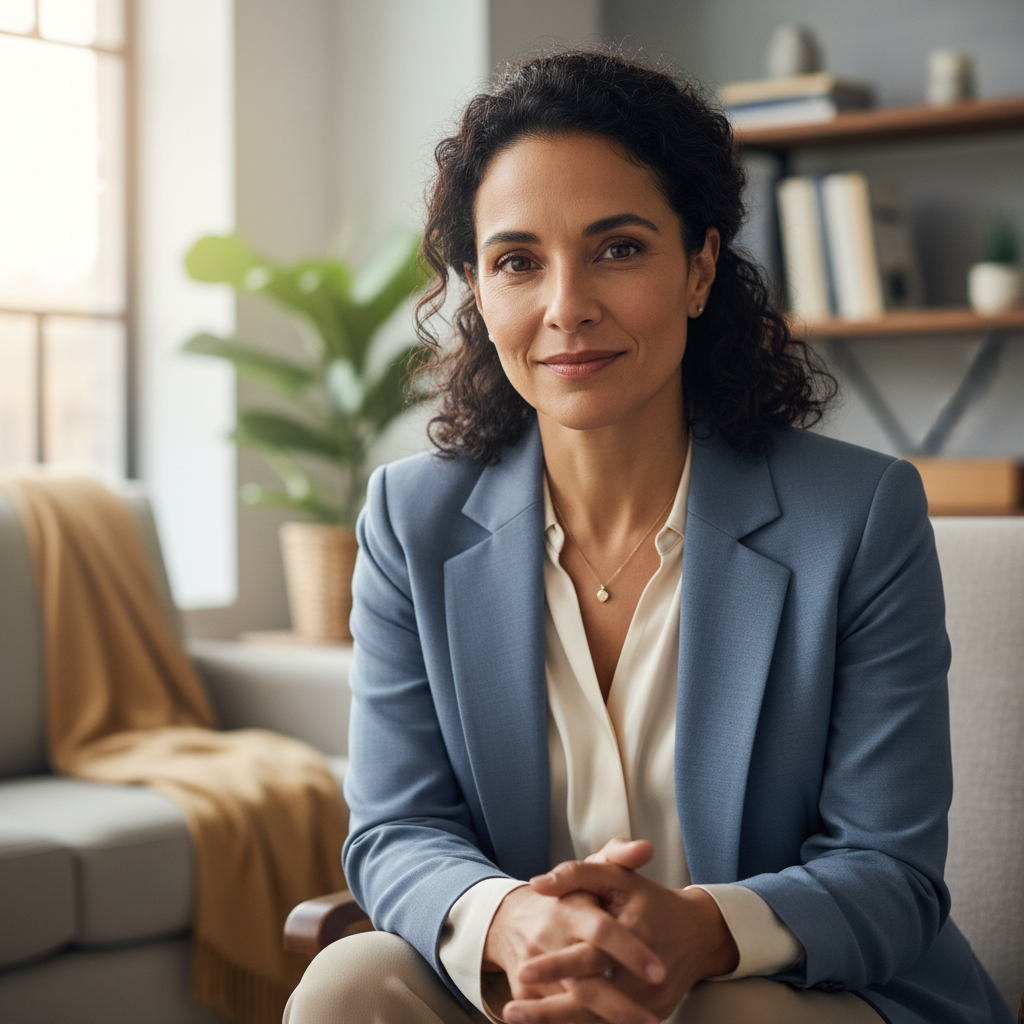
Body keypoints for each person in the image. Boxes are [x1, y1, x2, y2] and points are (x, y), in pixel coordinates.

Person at [284, 50, 1013, 1024]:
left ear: (700, 267)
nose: (565, 306)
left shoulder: (860, 514)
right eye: (516, 262)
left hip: (780, 991)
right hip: (522, 989)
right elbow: (395, 831)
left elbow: (888, 873)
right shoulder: (407, 522)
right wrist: (508, 923)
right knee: (346, 983)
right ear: (476, 288)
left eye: (617, 248)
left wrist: (698, 932)